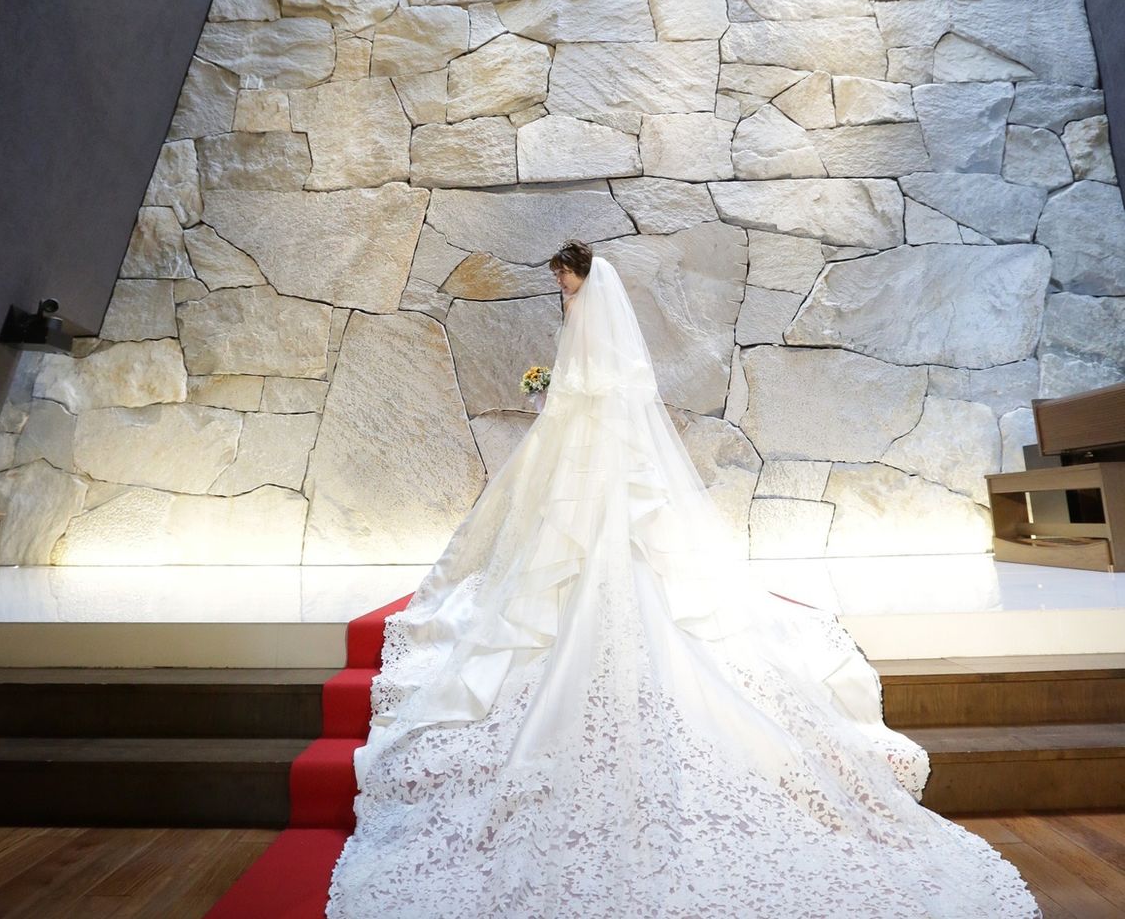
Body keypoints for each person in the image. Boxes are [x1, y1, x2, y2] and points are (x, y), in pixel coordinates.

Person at [327, 241, 1040, 918]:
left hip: (592, 470)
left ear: (580, 278)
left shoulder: (587, 323)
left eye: (564, 281)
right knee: (600, 551)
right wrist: (559, 395)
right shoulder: (601, 328)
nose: (561, 291)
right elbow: (616, 396)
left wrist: (553, 397)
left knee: (583, 555)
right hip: (606, 468)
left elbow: (585, 396)